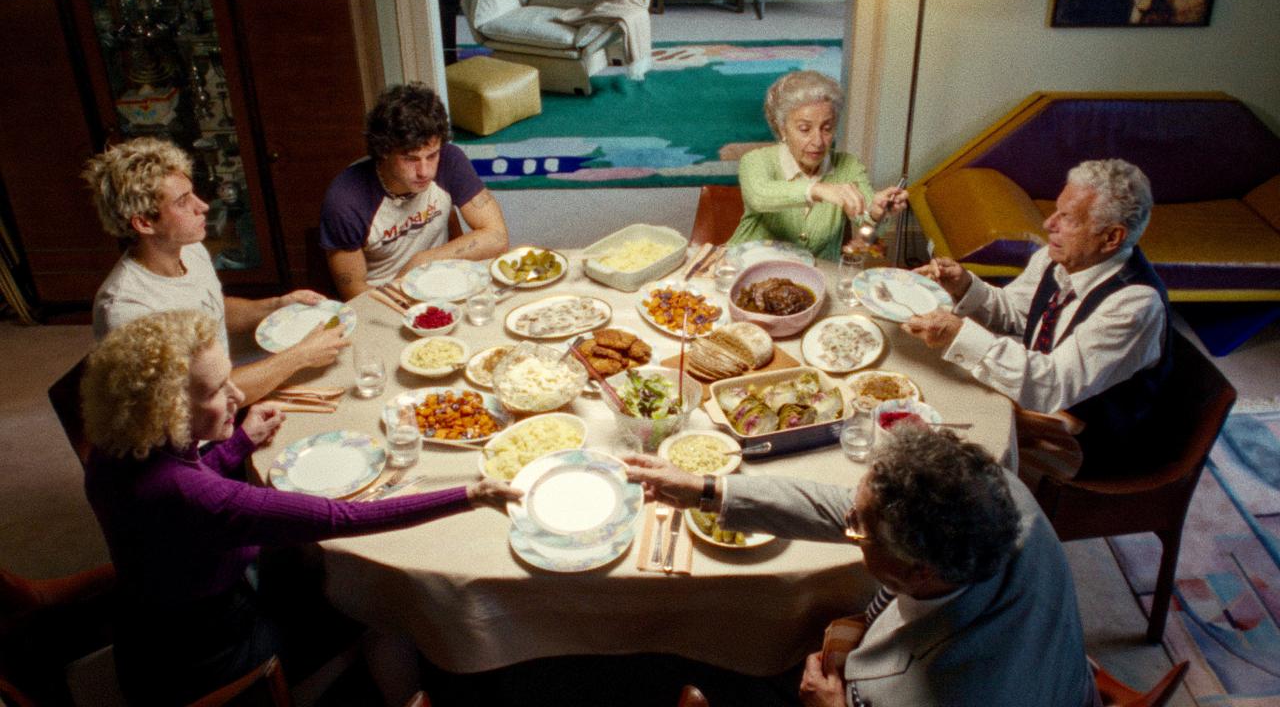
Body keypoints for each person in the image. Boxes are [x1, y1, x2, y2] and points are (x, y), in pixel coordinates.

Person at [81, 310, 521, 706]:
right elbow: (341, 518)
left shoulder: (115, 449)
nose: (237, 395)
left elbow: (187, 489)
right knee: (381, 606)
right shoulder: (194, 496)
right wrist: (469, 494)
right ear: (168, 410)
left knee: (314, 568)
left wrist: (240, 442)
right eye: (217, 390)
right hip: (210, 653)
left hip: (144, 624)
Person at [625, 427, 1096, 707]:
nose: (845, 522)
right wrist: (706, 489)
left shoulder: (922, 694)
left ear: (916, 573)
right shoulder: (1002, 498)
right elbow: (851, 511)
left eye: (858, 528)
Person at [900, 159, 1171, 480]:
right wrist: (964, 286)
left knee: (937, 461)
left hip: (1087, 442)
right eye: (1056, 211)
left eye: (1067, 219)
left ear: (1112, 237)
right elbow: (1015, 315)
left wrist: (959, 334)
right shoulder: (1060, 257)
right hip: (1042, 400)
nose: (1048, 225)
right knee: (925, 396)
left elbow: (1051, 385)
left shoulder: (1134, 304)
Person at [85, 137, 348, 405]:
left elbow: (210, 310)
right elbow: (199, 400)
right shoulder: (127, 309)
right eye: (182, 202)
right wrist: (299, 356)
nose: (203, 206)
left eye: (193, 194)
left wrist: (275, 305)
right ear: (143, 223)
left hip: (227, 387)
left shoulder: (187, 249)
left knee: (347, 370)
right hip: (200, 428)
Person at [320, 82, 509, 299]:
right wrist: (405, 293)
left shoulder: (450, 159)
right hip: (385, 298)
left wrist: (424, 261)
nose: (425, 171)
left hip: (444, 282)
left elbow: (497, 237)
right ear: (383, 151)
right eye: (410, 159)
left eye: (432, 156)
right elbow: (355, 295)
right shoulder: (345, 200)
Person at [728, 70, 908, 261]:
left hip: (810, 281)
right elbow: (760, 196)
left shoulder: (849, 166)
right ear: (782, 129)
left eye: (827, 128)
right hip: (742, 268)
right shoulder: (756, 160)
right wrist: (816, 190)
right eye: (805, 129)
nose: (818, 141)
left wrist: (875, 212)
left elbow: (867, 230)